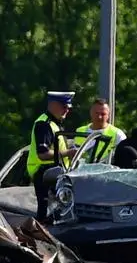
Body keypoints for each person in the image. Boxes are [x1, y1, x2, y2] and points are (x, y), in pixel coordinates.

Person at [26, 91, 77, 221]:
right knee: (47, 215)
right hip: (45, 173)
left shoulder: (55, 123)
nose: (67, 111)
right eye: (64, 107)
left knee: (59, 214)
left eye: (68, 108)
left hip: (54, 173)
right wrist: (68, 153)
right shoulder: (44, 124)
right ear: (53, 105)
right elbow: (43, 154)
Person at [75, 98, 126, 164]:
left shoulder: (118, 134)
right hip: (81, 172)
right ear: (91, 113)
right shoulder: (80, 131)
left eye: (103, 114)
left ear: (108, 115)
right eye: (96, 113)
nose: (99, 117)